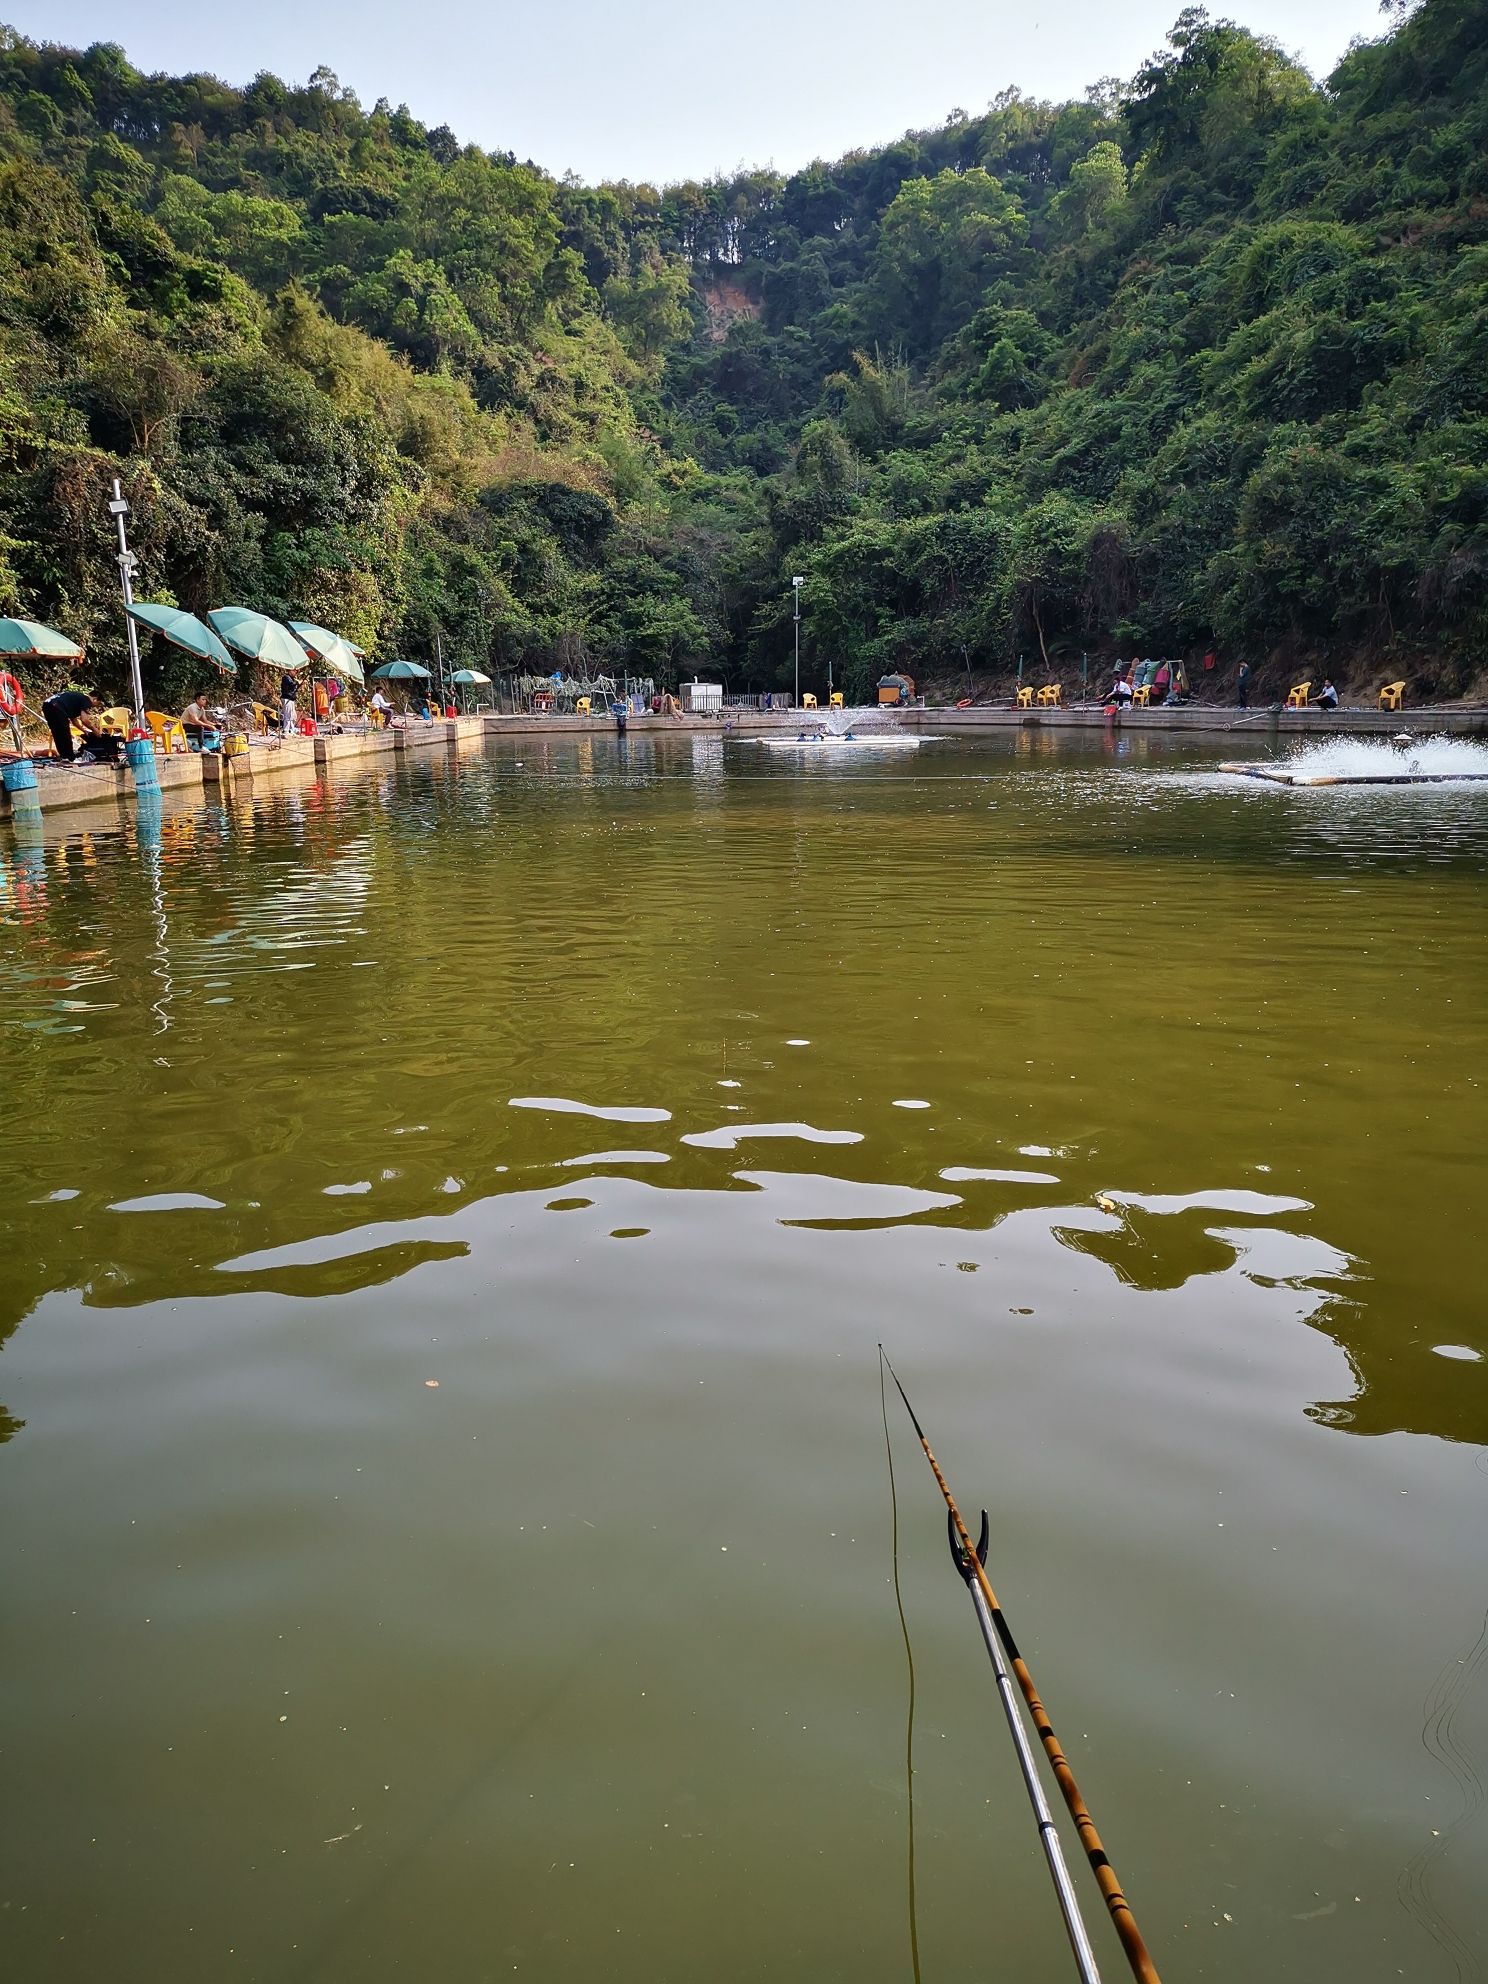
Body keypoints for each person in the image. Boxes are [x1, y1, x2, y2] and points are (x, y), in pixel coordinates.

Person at [41, 688, 98, 762]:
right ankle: (70, 757)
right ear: (95, 699)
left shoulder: (76, 699)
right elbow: (84, 719)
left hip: (47, 705)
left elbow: (74, 720)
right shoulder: (86, 700)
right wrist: (94, 729)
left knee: (57, 732)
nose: (94, 706)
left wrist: (84, 730)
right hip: (56, 706)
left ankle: (64, 756)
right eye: (98, 703)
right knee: (64, 732)